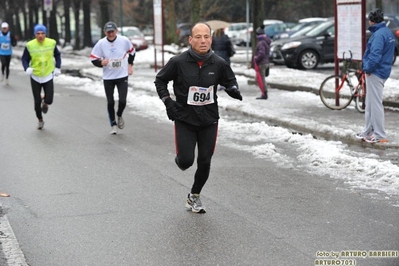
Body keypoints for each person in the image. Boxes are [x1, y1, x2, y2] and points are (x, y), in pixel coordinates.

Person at [154, 22, 242, 213]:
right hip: (185, 118)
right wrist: (168, 101)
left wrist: (233, 89)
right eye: (199, 37)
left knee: (205, 161)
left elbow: (229, 80)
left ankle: (194, 196)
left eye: (207, 36)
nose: (203, 41)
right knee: (186, 162)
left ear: (211, 39)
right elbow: (160, 80)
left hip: (209, 119)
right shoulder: (178, 62)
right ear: (190, 40)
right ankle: (182, 159)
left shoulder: (218, 63)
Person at [355, 8, 395, 143]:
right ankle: (367, 131)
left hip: (375, 72)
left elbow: (375, 55)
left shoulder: (378, 35)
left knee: (375, 104)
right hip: (382, 70)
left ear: (372, 21)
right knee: (370, 103)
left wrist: (366, 68)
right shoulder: (386, 32)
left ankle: (379, 135)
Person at [90, 21, 136, 135]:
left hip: (122, 75)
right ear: (104, 32)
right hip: (108, 77)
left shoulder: (124, 40)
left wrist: (130, 65)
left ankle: (119, 114)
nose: (110, 34)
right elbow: (93, 58)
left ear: (116, 31)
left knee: (122, 101)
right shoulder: (101, 43)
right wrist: (101, 62)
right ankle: (113, 124)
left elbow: (132, 52)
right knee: (110, 102)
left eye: (112, 31)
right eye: (108, 32)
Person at [22, 24, 61, 130]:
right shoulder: (30, 45)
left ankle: (45, 101)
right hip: (35, 76)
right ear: (35, 34)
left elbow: (57, 55)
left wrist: (57, 67)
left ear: (45, 34)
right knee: (36, 101)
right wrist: (27, 68)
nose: (40, 36)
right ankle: (40, 120)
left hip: (48, 75)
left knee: (49, 99)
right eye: (38, 33)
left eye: (42, 33)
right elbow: (24, 59)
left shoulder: (51, 43)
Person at [253, 25, 271, 100]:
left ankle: (264, 93)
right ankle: (264, 92)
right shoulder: (266, 41)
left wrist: (256, 58)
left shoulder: (261, 43)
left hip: (261, 63)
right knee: (260, 78)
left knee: (261, 78)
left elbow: (261, 53)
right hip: (265, 62)